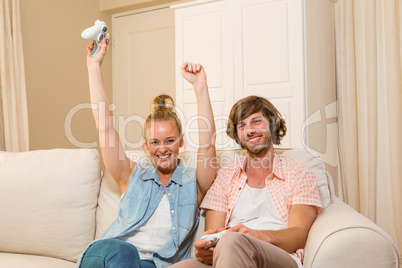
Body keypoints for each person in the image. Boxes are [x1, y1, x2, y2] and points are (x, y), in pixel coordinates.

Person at [77, 39, 217, 268]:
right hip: (108, 255)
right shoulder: (130, 174)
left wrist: (200, 87)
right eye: (155, 142)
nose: (162, 149)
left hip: (154, 264)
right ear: (146, 146)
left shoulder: (194, 183)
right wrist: (94, 66)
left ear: (181, 142)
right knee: (125, 253)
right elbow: (104, 127)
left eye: (170, 141)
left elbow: (208, 145)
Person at [171, 96, 323, 268]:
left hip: (280, 256)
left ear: (272, 124)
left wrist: (254, 236)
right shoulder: (225, 176)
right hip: (228, 255)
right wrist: (205, 247)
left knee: (232, 241)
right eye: (242, 125)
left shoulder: (299, 173)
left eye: (256, 121)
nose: (249, 130)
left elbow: (298, 235)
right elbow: (213, 233)